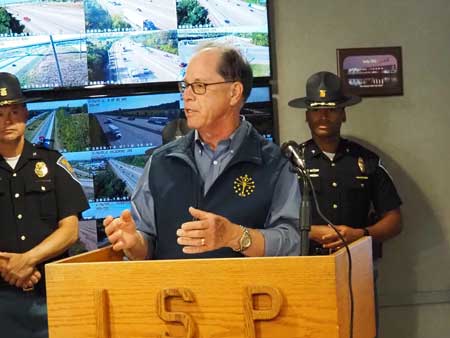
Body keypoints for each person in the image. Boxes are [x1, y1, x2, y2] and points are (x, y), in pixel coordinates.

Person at [104, 43, 300, 260]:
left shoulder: (275, 163)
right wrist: (133, 243)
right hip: (174, 292)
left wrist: (236, 236)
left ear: (234, 93)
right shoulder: (161, 162)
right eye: (185, 85)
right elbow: (146, 243)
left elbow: (294, 242)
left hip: (247, 292)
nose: (186, 96)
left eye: (198, 86)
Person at [0, 72, 89, 338]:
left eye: (14, 111)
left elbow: (71, 230)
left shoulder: (53, 164)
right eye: (0, 113)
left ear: (26, 114)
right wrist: (8, 267)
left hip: (53, 296)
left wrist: (27, 260)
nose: (7, 120)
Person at [288, 71, 402, 256]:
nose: (323, 116)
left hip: (357, 261)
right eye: (316, 110)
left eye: (332, 109)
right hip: (306, 262)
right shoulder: (292, 161)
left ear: (343, 115)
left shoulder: (366, 160)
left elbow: (394, 220)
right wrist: (308, 231)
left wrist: (362, 234)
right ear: (307, 116)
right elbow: (272, 221)